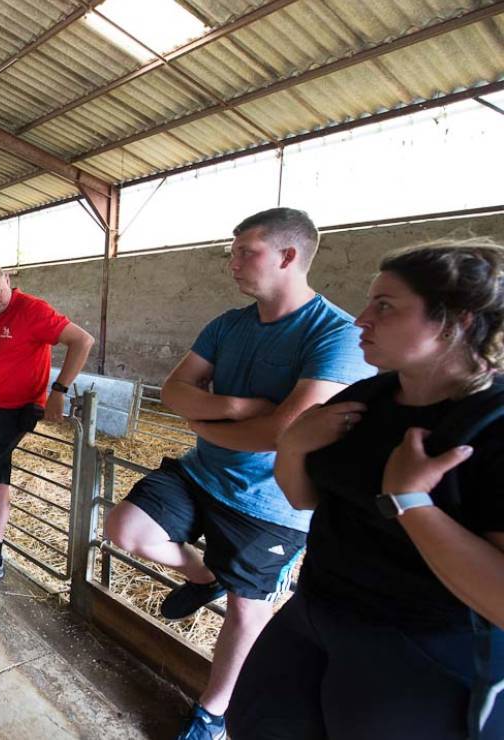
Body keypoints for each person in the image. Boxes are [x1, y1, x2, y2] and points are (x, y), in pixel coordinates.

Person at [103, 207, 374, 740]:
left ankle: (212, 713)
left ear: (288, 256)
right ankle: (205, 575)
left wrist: (215, 421)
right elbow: (175, 392)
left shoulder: (335, 334)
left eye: (244, 251)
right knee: (124, 529)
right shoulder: (228, 324)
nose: (232, 263)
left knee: (248, 613)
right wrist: (237, 409)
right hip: (200, 473)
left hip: (274, 502)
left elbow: (286, 434)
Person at [227, 241, 504, 739]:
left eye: (385, 306)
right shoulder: (368, 397)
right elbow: (305, 498)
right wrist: (292, 447)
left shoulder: (493, 426)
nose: (361, 319)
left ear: (457, 320)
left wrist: (413, 504)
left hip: (418, 644)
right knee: (253, 723)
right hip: (317, 607)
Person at [0, 262, 94, 592]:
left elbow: (82, 341)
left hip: (16, 411)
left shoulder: (33, 310)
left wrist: (59, 391)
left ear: (8, 280)